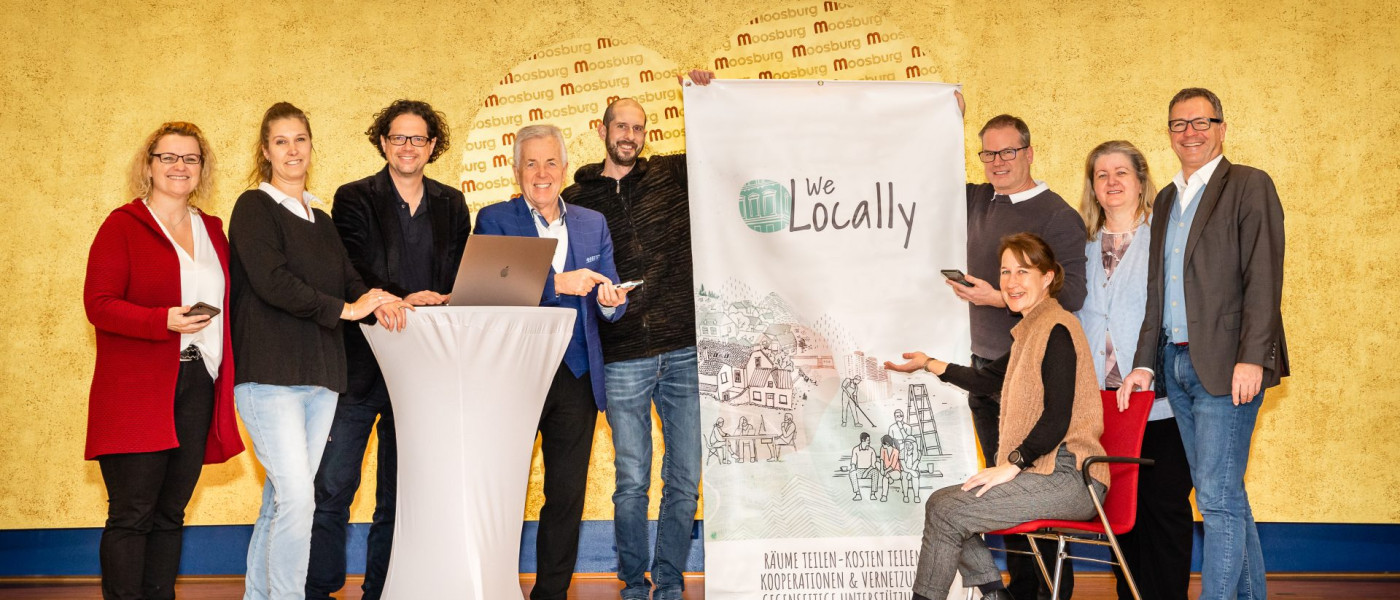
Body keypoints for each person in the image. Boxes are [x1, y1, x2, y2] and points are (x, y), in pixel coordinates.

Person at [229, 102, 409, 600]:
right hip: (269, 377)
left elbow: (352, 281)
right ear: (266, 151)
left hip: (323, 378)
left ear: (311, 146)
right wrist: (346, 310)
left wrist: (385, 300)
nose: (293, 150)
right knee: (297, 500)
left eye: (300, 140)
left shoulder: (321, 217)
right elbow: (272, 282)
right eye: (281, 141)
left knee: (281, 501)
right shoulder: (254, 207)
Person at [1118, 88, 1288, 600]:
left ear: (1222, 128)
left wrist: (1252, 357)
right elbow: (1157, 291)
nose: (1189, 132)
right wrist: (1145, 364)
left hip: (1227, 366)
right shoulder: (1167, 199)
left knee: (1216, 500)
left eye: (1201, 122)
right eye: (1179, 124)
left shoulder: (1249, 184)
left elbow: (1264, 276)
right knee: (1224, 495)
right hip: (1176, 366)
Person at [307, 100, 471, 600]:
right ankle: (318, 589)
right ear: (382, 142)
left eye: (418, 138)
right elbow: (352, 268)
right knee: (333, 486)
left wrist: (449, 297)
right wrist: (403, 298)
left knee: (398, 495)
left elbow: (460, 274)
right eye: (398, 137)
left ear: (433, 146)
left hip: (422, 369)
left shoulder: (451, 203)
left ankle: (380, 591)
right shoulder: (354, 197)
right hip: (361, 365)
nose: (407, 147)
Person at [561, 70, 714, 600]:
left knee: (685, 477)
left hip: (685, 349)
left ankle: (668, 581)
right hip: (622, 355)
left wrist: (704, 94)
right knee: (631, 481)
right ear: (601, 130)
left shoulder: (671, 175)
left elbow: (721, 141)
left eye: (638, 127)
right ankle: (631, 583)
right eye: (621, 126)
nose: (630, 135)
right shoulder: (575, 200)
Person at [887, 233, 1108, 600]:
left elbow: (1057, 417)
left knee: (948, 511)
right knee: (944, 506)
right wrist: (928, 363)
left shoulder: (1058, 329)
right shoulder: (1031, 331)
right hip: (1045, 474)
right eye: (1006, 272)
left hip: (1071, 478)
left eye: (1023, 271)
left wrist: (1014, 463)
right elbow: (985, 379)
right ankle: (994, 594)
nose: (1011, 281)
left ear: (1048, 277)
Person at [83, 121, 245, 600]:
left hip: (198, 382)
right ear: (149, 165)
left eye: (190, 158)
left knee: (171, 513)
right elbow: (99, 305)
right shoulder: (122, 225)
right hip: (137, 387)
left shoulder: (212, 230)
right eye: (168, 157)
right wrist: (162, 320)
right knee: (132, 515)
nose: (179, 166)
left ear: (202, 168)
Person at [473, 124, 629, 600]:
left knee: (565, 497)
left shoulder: (591, 222)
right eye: (532, 163)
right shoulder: (495, 219)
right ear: (516, 170)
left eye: (551, 162)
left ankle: (551, 594)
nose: (542, 173)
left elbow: (611, 295)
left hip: (577, 376)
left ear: (564, 167)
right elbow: (487, 289)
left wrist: (610, 301)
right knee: (501, 492)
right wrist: (557, 284)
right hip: (514, 378)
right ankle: (492, 588)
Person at [954, 111, 1089, 600]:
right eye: (988, 153)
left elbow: (1073, 294)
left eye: (1008, 151)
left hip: (1029, 375)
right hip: (986, 370)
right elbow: (923, 167)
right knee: (1002, 494)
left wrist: (999, 297)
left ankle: (1050, 592)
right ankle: (1019, 589)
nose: (997, 161)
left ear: (1029, 153)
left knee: (1034, 490)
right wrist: (946, 115)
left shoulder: (1057, 215)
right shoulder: (977, 199)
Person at [1076, 141, 1192, 600]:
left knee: (1163, 508)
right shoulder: (1080, 247)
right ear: (1092, 187)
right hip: (1102, 406)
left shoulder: (1163, 241)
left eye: (1122, 172)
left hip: (1158, 402)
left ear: (1141, 181)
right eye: (1102, 175)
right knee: (1120, 515)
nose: (1112, 182)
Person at [879, 435, 910, 502]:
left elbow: (893, 465)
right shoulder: (883, 449)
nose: (882, 445)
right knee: (881, 470)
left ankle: (884, 495)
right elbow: (881, 460)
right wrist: (881, 469)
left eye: (883, 444)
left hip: (895, 471)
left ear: (887, 444)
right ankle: (884, 495)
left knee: (886, 476)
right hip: (886, 469)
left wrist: (885, 471)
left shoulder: (896, 451)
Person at [848, 432, 879, 500]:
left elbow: (873, 465)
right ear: (863, 440)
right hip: (859, 470)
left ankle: (873, 494)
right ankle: (857, 494)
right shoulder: (856, 449)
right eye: (868, 440)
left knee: (875, 472)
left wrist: (866, 472)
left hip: (869, 470)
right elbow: (853, 462)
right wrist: (853, 469)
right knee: (852, 473)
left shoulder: (872, 450)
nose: (869, 442)